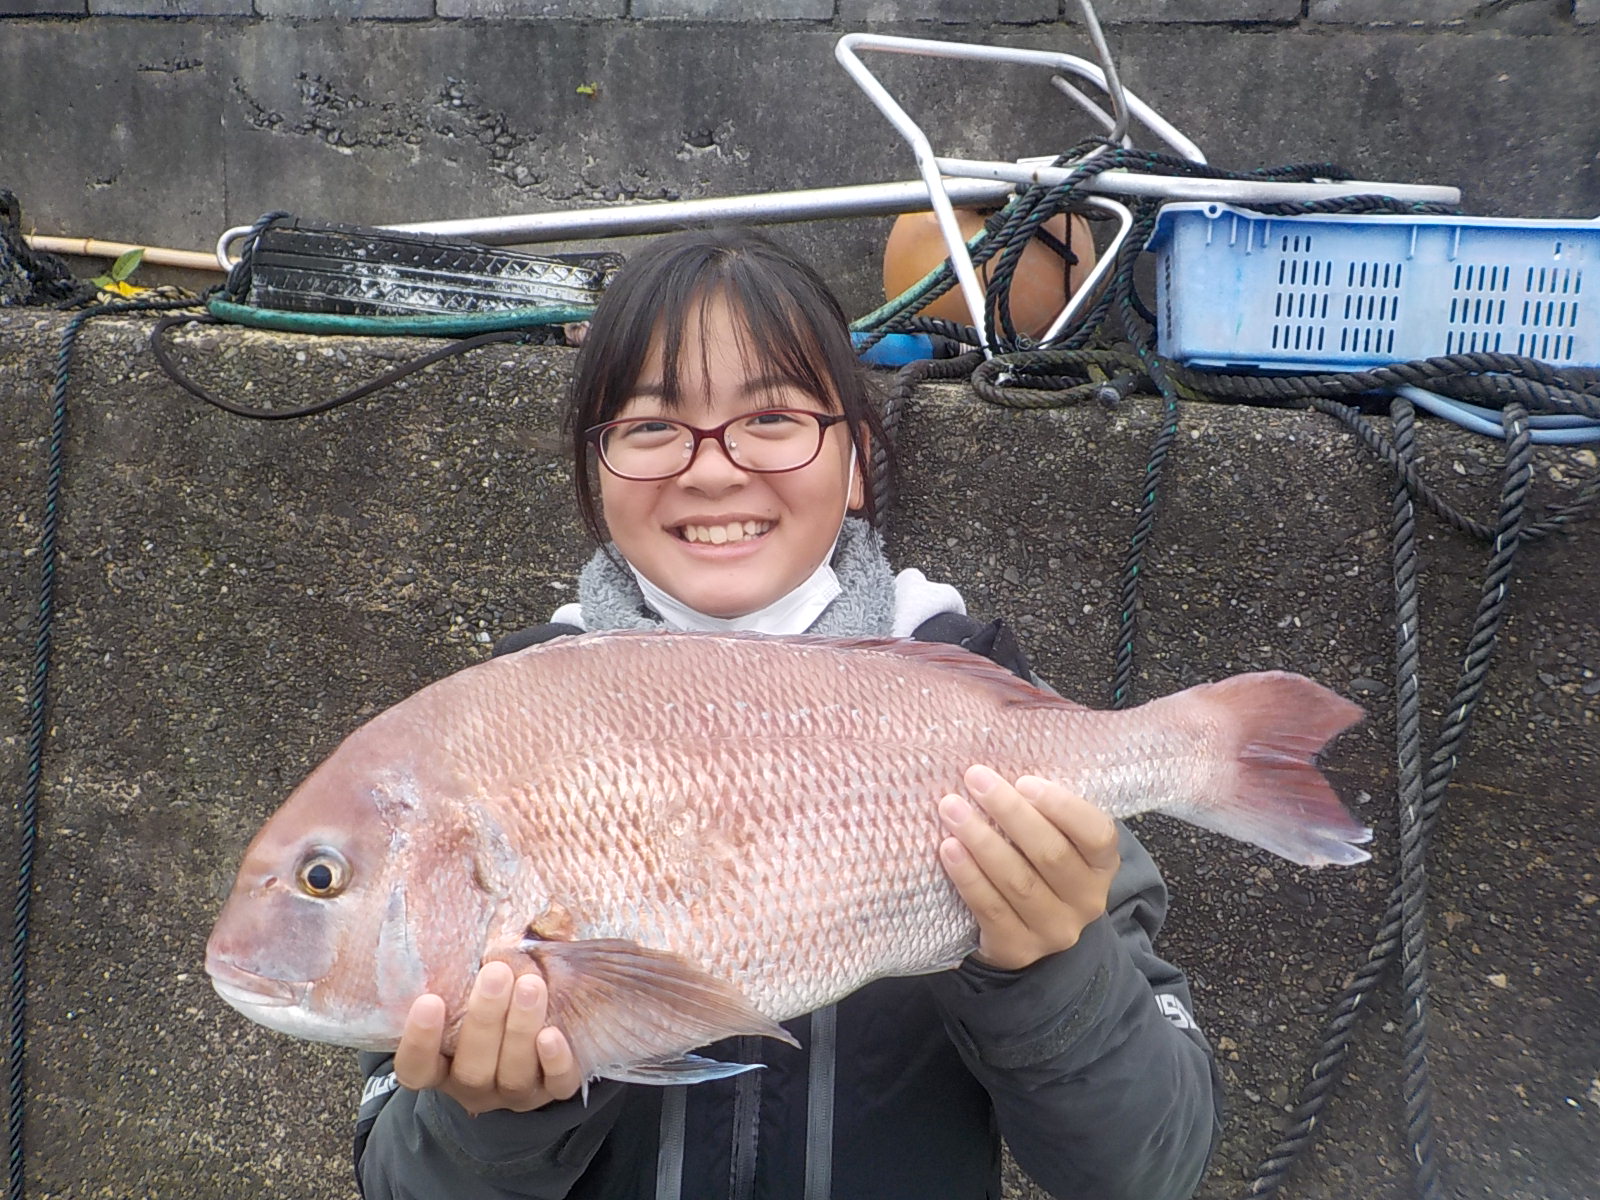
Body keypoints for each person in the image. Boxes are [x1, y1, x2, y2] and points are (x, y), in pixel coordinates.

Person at [353, 227, 1223, 1200]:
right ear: (595, 473)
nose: (713, 467)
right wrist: (497, 1115)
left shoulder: (985, 710)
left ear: (853, 459)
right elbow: (402, 1182)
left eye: (772, 419)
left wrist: (1050, 970)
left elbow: (1150, 1168)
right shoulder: (493, 734)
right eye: (649, 427)